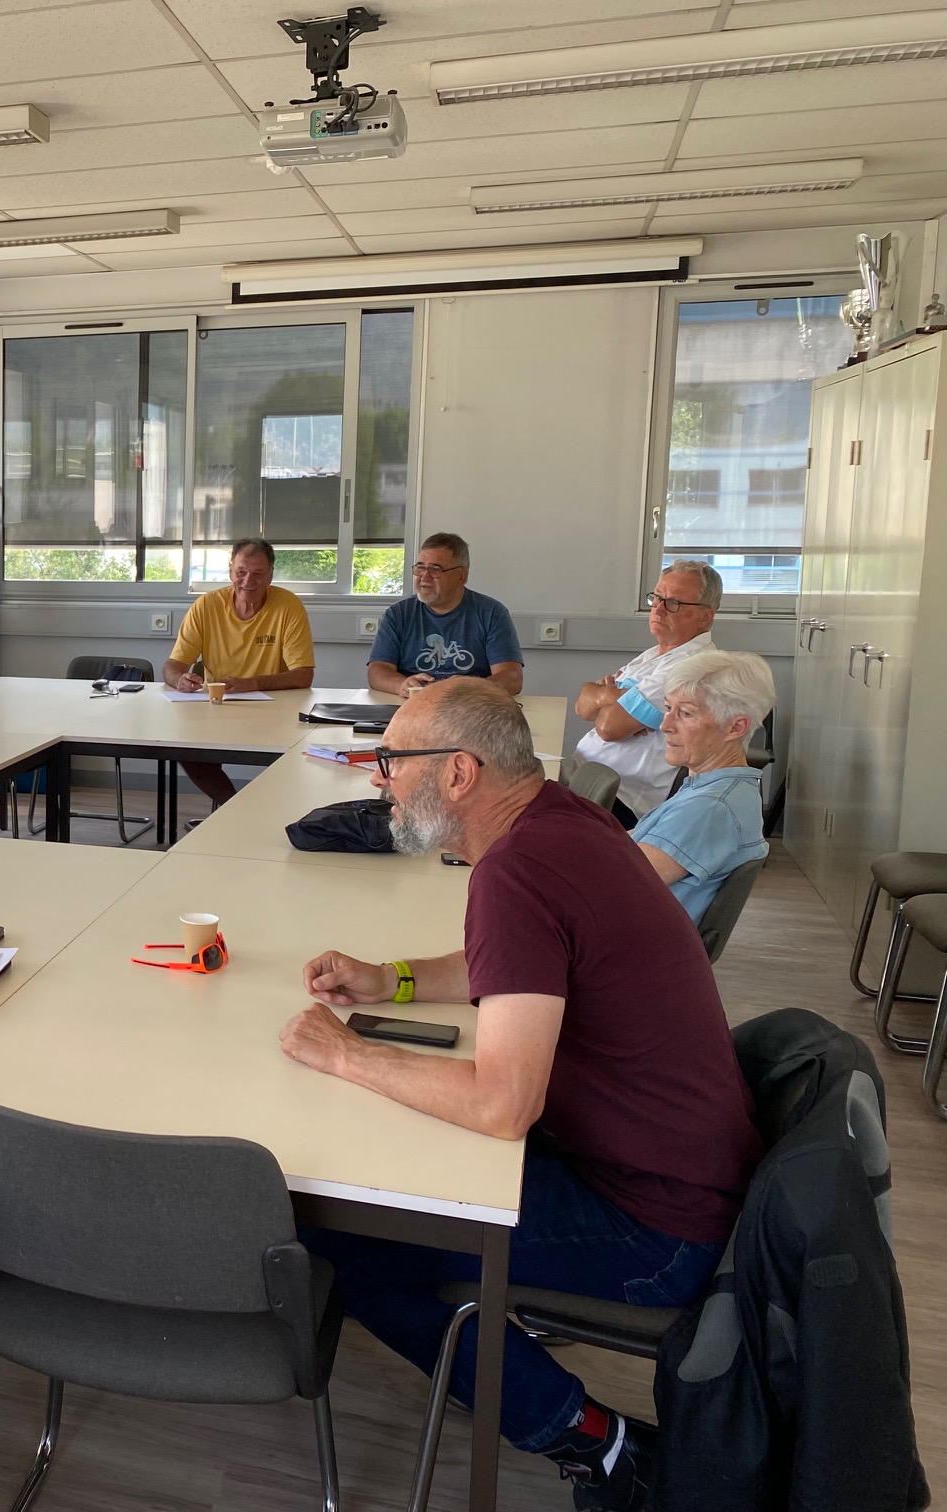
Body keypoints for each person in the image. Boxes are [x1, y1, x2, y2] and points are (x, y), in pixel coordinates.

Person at [278, 680, 762, 1512]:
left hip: (656, 1230)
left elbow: (502, 1105)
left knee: (346, 1241)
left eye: (393, 760)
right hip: (682, 1177)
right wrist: (391, 980)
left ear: (459, 772)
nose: (380, 780)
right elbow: (517, 962)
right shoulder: (560, 821)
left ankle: (596, 1443)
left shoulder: (516, 872)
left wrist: (348, 1054)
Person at [161, 538, 315, 807]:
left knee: (298, 757)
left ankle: (253, 812)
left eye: (258, 574)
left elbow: (303, 675)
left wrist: (250, 683)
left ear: (270, 575)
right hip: (216, 711)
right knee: (183, 746)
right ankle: (233, 808)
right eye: (241, 572)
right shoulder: (206, 605)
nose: (248, 581)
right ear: (230, 570)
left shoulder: (288, 606)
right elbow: (172, 667)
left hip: (275, 713)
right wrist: (180, 680)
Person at [630, 650, 773, 922]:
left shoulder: (710, 807)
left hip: (629, 940)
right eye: (668, 708)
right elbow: (631, 843)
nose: (665, 725)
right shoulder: (716, 788)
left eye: (685, 713)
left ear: (735, 728)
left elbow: (617, 881)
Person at [573, 561, 721, 824]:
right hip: (587, 775)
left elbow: (608, 727)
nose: (658, 609)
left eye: (674, 603)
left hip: (619, 797)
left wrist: (605, 696)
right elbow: (582, 706)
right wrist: (608, 697)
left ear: (705, 617)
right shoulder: (654, 655)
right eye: (657, 598)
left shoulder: (690, 666)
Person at [366, 532, 523, 697]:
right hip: (412, 703)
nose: (424, 577)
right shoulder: (398, 614)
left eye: (435, 569)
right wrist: (401, 685)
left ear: (461, 576)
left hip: (471, 703)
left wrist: (470, 687)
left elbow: (512, 678)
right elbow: (377, 671)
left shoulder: (492, 613)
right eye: (420, 568)